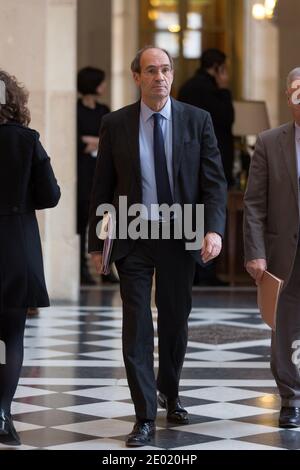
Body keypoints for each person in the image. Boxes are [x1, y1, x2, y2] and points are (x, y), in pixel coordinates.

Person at [88, 46, 227, 446]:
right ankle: (144, 415)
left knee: (174, 320)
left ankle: (170, 389)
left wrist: (213, 229)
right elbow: (102, 186)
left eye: (165, 70)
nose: (159, 77)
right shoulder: (115, 124)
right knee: (136, 323)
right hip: (133, 233)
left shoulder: (197, 120)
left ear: (172, 74)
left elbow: (213, 181)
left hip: (181, 231)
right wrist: (98, 242)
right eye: (151, 71)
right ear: (137, 77)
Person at [0, 70, 61, 445]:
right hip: (15, 246)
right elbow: (50, 195)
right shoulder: (27, 141)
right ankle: (2, 413)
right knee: (12, 336)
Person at [244, 67, 300, 428]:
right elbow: (254, 203)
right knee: (286, 328)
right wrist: (255, 251)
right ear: (289, 95)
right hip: (284, 254)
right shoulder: (268, 141)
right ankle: (291, 399)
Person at [178, 49, 233, 286]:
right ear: (218, 67)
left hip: (187, 162)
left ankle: (197, 268)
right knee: (208, 208)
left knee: (193, 213)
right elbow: (227, 118)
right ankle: (205, 269)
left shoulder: (187, 87)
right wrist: (224, 91)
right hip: (210, 160)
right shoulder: (213, 91)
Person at [77, 67, 111, 285]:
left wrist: (91, 141)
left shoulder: (103, 110)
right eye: (101, 82)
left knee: (104, 223)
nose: (104, 86)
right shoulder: (76, 110)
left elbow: (109, 140)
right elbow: (76, 142)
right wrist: (92, 142)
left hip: (101, 171)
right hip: (82, 172)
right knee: (81, 223)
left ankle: (106, 270)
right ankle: (82, 270)